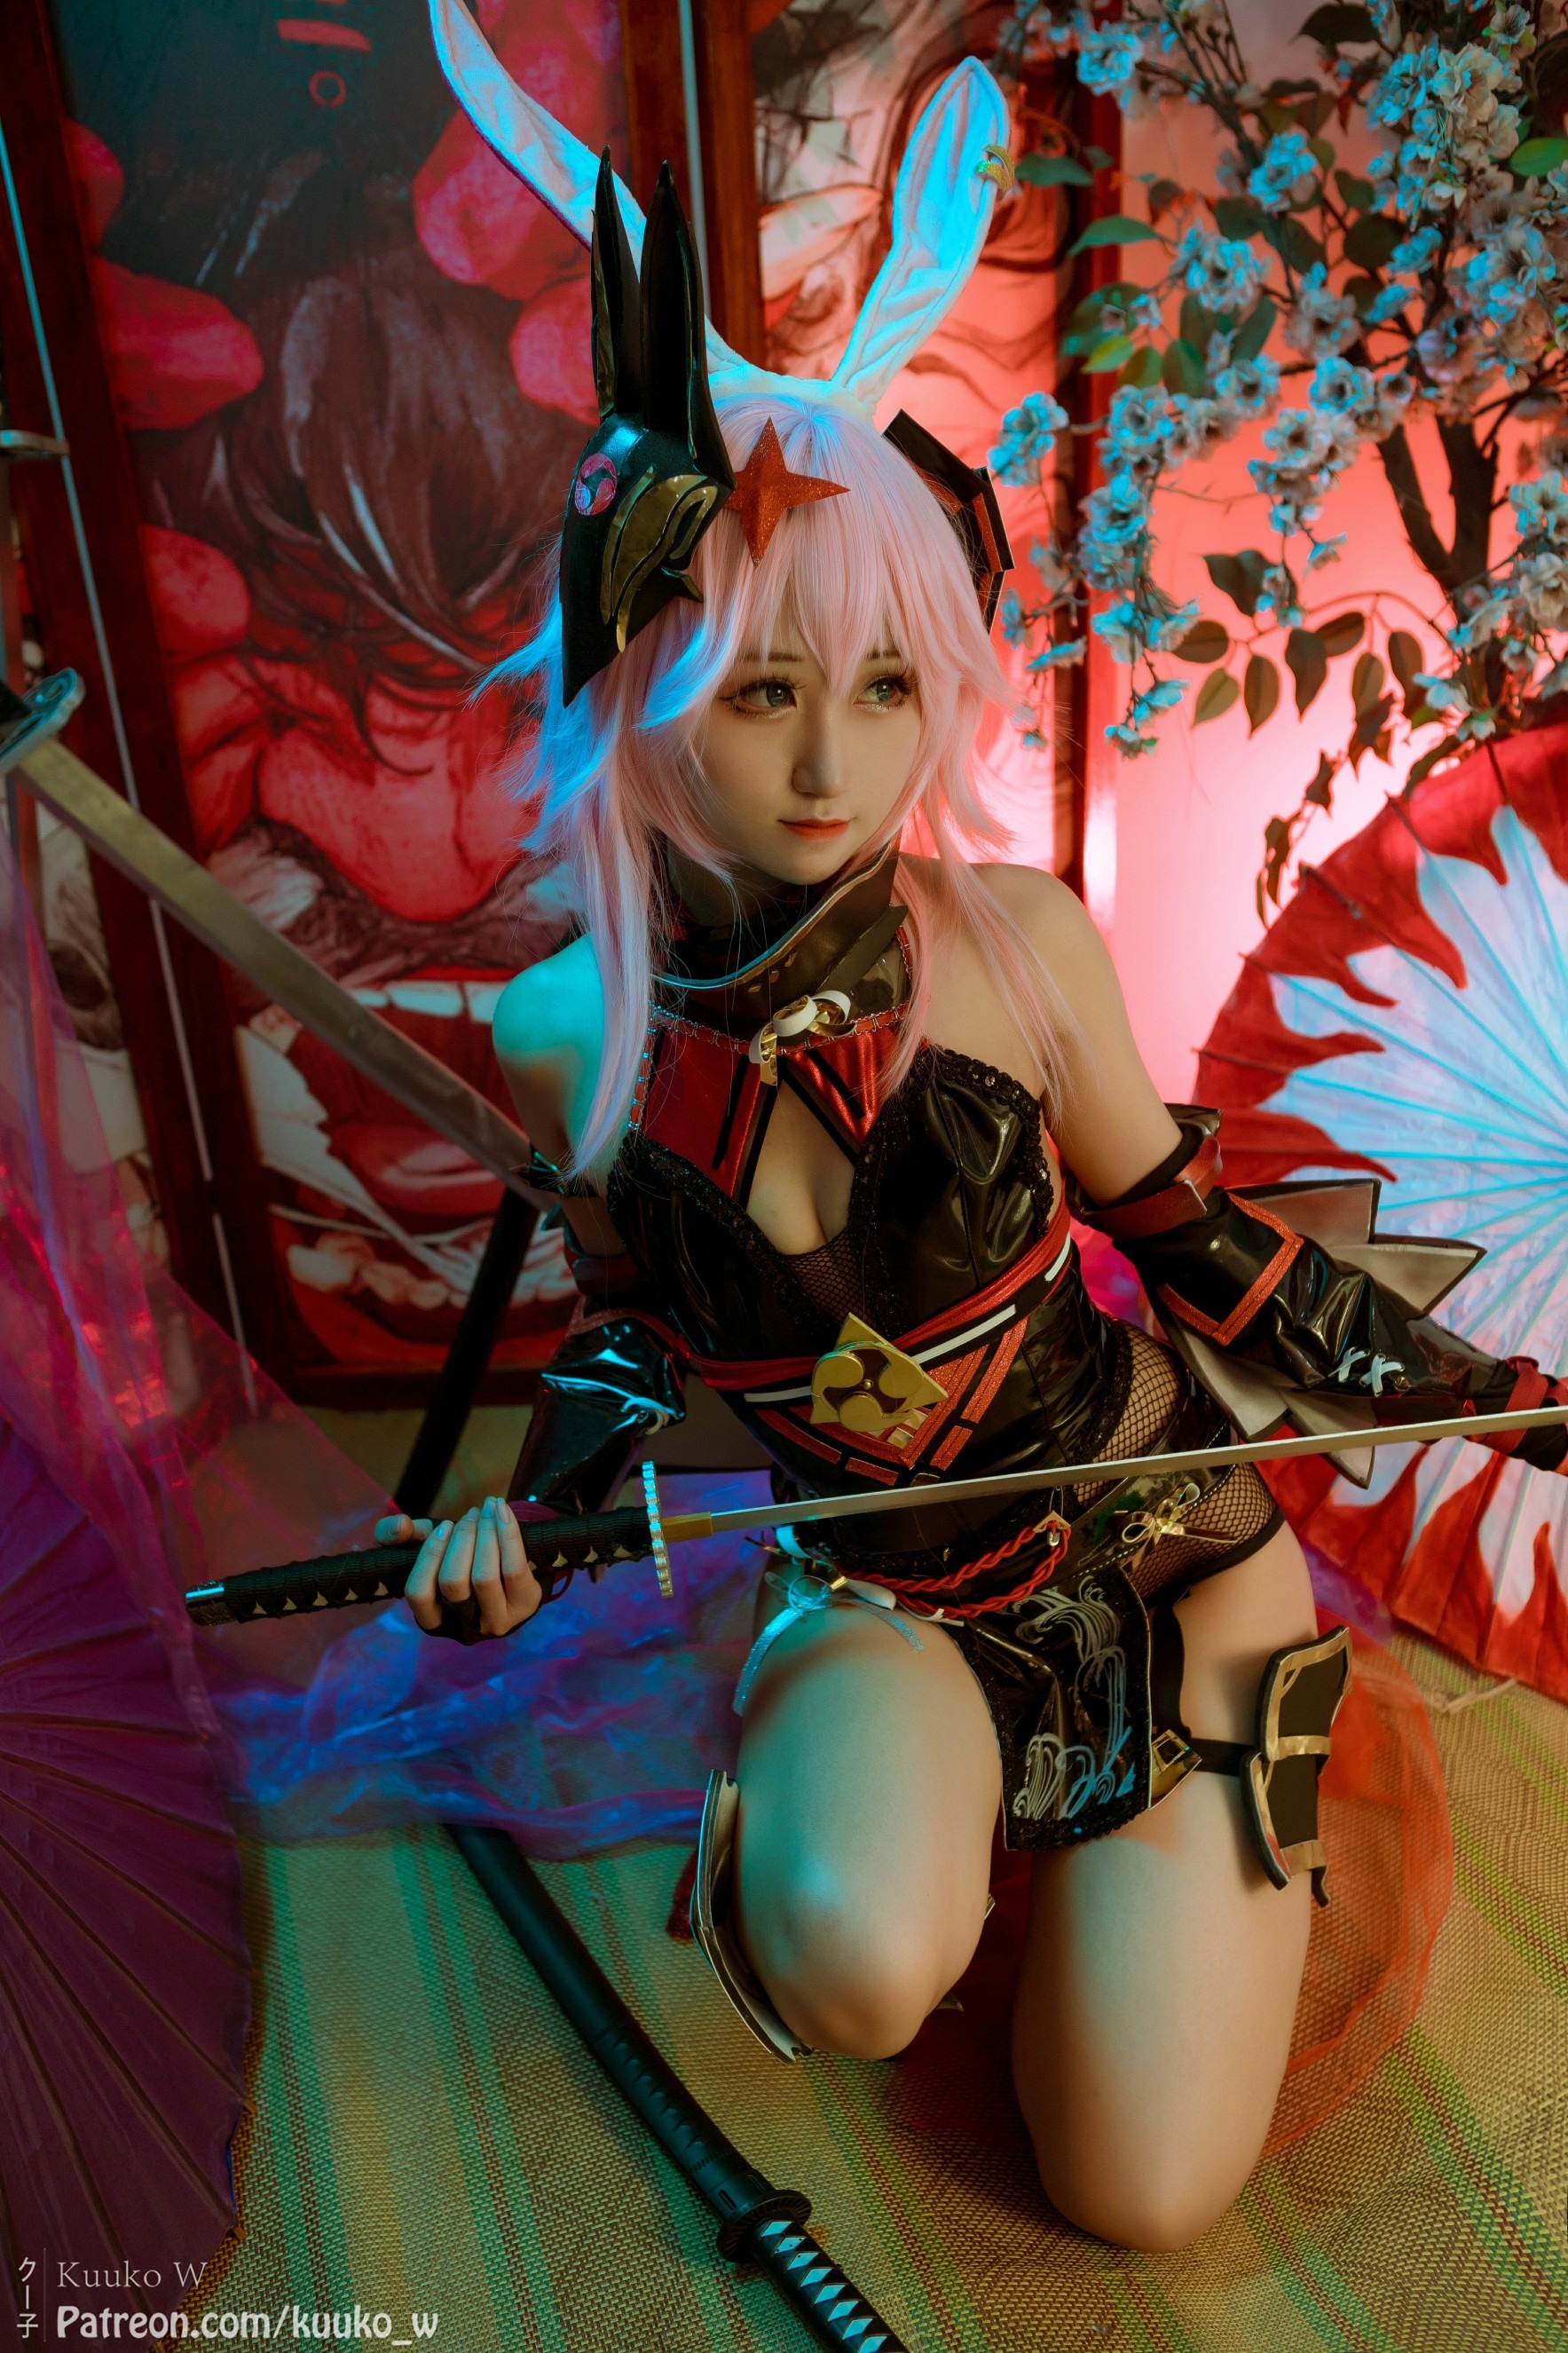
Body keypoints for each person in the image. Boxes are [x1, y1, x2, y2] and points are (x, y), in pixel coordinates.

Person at [371, 4, 1568, 2251]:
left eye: (888, 686)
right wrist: (521, 1526)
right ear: (634, 691)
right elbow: (635, 1327)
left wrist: (1496, 1395)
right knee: (847, 1964)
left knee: (1137, 2194)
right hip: (873, 1583)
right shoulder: (563, 1032)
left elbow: (1214, 1260)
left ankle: (1145, 1867)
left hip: (1165, 1560)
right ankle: (872, 1825)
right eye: (760, 692)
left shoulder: (1016, 944)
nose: (833, 766)